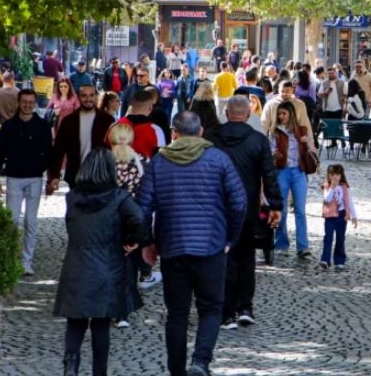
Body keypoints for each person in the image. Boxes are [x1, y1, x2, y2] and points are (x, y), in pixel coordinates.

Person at [138, 111, 247, 376]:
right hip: (211, 247)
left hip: (173, 247)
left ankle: (177, 371)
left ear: (174, 133)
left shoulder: (159, 163)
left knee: (176, 313)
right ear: (200, 133)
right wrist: (230, 237)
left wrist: (147, 242)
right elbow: (239, 202)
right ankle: (200, 361)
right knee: (211, 309)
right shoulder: (218, 159)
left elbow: (142, 208)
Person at [53, 149, 145, 376]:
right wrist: (132, 241)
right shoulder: (118, 198)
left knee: (75, 322)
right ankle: (99, 372)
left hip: (76, 263)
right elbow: (140, 219)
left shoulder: (72, 197)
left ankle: (71, 367)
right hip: (107, 264)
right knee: (101, 323)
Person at [207, 96, 282, 329]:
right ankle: (245, 306)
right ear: (248, 115)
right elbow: (269, 175)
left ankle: (226, 310)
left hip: (218, 209)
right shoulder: (258, 141)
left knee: (223, 258)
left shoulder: (211, 138)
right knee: (246, 258)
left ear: (226, 113)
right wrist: (275, 205)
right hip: (247, 208)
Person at [0, 89, 53, 275]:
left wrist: (50, 177)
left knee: (30, 221)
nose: (27, 105)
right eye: (24, 102)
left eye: (31, 102)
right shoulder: (9, 126)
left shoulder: (42, 126)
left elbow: (49, 153)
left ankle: (26, 261)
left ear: (35, 103)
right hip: (14, 178)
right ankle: (11, 259)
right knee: (12, 220)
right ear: (19, 103)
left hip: (35, 178)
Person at [109, 122, 160, 310]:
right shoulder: (142, 161)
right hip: (133, 220)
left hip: (109, 220)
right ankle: (125, 307)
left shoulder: (104, 161)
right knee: (129, 264)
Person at [269, 101, 317, 259]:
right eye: (279, 114)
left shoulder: (300, 130)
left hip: (298, 171)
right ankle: (281, 243)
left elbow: (311, 149)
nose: (281, 116)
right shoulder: (275, 132)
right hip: (282, 171)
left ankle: (303, 246)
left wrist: (307, 143)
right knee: (280, 208)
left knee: (300, 210)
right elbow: (270, 153)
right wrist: (274, 156)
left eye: (284, 113)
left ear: (291, 115)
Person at [49, 84, 116, 191]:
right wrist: (54, 175)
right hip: (76, 175)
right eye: (84, 96)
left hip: (100, 176)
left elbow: (114, 149)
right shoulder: (69, 121)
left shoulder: (107, 120)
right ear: (78, 97)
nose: (88, 99)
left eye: (91, 95)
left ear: (96, 97)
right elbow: (58, 149)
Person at [320, 164, 357, 270]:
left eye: (337, 174)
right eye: (332, 174)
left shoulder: (344, 187)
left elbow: (349, 202)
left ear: (341, 175)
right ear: (329, 175)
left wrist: (354, 216)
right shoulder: (327, 186)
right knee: (328, 238)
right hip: (330, 216)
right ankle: (325, 260)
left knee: (340, 238)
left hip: (341, 216)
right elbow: (327, 199)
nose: (335, 177)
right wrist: (332, 187)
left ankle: (339, 260)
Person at [117, 90, 167, 158]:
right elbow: (160, 159)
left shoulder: (115, 125)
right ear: (150, 107)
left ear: (131, 106)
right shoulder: (156, 131)